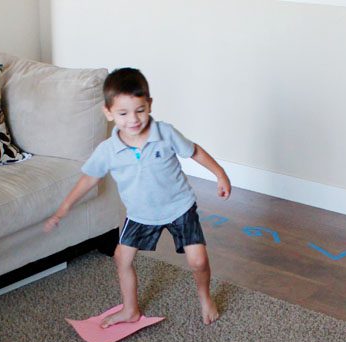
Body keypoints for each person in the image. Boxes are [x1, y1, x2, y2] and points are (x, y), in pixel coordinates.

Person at [45, 67, 231, 326]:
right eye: (123, 113)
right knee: (122, 258)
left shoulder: (165, 133)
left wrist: (220, 174)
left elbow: (194, 151)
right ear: (108, 112)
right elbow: (89, 178)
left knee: (198, 261)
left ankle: (205, 297)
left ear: (150, 105)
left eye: (140, 110)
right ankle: (130, 310)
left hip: (179, 207)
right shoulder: (108, 150)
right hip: (141, 215)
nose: (133, 119)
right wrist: (63, 208)